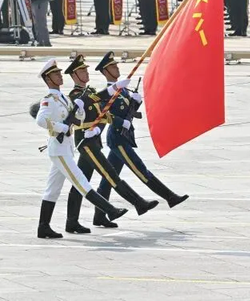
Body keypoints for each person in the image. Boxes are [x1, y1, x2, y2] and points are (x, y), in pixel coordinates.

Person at [63, 54, 159, 234]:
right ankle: (138, 203)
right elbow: (83, 109)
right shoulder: (76, 95)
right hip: (85, 142)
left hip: (93, 140)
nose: (86, 73)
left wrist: (99, 129)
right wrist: (113, 88)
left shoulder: (90, 91)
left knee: (81, 182)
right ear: (74, 75)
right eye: (82, 71)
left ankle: (73, 221)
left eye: (85, 70)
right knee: (110, 173)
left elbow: (103, 114)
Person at [33, 59, 128, 239]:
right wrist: (61, 127)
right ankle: (110, 210)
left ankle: (43, 227)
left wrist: (81, 111)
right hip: (59, 150)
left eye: (59, 73)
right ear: (48, 79)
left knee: (52, 190)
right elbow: (40, 120)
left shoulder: (62, 98)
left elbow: (81, 113)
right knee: (81, 181)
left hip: (65, 148)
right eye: (56, 74)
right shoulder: (48, 100)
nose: (60, 75)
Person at [93, 51, 189, 228]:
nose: (117, 68)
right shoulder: (109, 93)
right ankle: (170, 197)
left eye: (116, 65)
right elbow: (103, 113)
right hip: (117, 137)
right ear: (105, 72)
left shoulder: (122, 90)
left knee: (108, 178)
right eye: (113, 66)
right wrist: (121, 121)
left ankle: (99, 215)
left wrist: (136, 102)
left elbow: (128, 111)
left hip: (125, 136)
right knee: (140, 169)